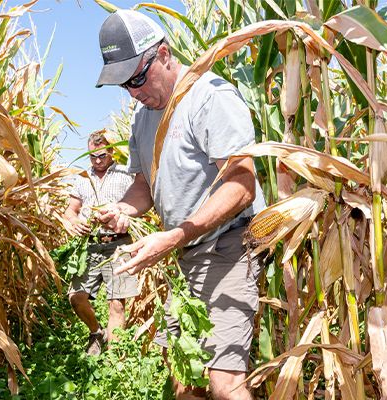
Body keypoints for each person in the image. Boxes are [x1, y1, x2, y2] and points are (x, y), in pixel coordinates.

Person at [94, 10, 266, 400]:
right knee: (185, 379)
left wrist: (175, 236)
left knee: (224, 384)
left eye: (137, 78)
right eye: (123, 85)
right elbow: (144, 186)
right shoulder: (143, 117)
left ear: (165, 55)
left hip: (229, 248)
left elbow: (242, 185)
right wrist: (123, 210)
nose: (133, 92)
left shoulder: (210, 97)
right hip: (186, 257)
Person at [63, 132, 140, 356]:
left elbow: (140, 205)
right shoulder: (82, 177)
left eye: (102, 156)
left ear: (112, 152)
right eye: (92, 156)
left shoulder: (127, 174)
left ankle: (113, 361)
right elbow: (71, 209)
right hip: (89, 246)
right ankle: (97, 331)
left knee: (116, 303)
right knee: (76, 297)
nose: (97, 161)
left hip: (119, 245)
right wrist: (73, 221)